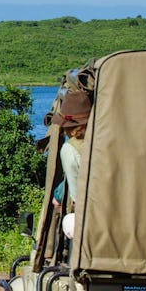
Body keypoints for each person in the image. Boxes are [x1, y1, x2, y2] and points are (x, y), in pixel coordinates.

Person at [51, 90, 91, 239]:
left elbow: (77, 197)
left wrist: (58, 196)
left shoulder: (70, 149)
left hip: (94, 218)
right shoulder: (105, 139)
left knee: (69, 222)